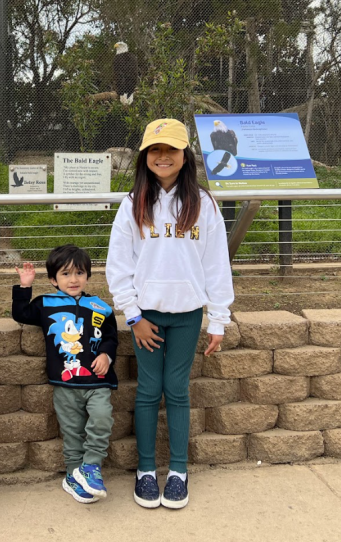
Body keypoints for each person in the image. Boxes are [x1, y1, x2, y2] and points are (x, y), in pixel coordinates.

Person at [106, 118, 234, 510]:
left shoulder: (204, 204)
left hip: (187, 315)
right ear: (145, 157)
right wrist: (133, 315)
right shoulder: (132, 205)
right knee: (147, 391)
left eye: (171, 150)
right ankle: (146, 471)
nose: (163, 157)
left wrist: (219, 318)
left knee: (177, 391)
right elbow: (119, 266)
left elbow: (216, 266)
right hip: (145, 316)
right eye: (155, 150)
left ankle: (177, 470)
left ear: (185, 156)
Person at [12, 245, 118, 504]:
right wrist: (25, 287)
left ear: (88, 276)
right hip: (65, 382)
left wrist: (106, 355)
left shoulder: (101, 307)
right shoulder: (46, 304)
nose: (73, 279)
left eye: (79, 273)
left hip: (97, 381)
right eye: (66, 274)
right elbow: (21, 314)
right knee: (72, 433)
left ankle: (91, 466)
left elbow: (111, 338)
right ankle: (73, 476)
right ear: (53, 279)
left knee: (102, 419)